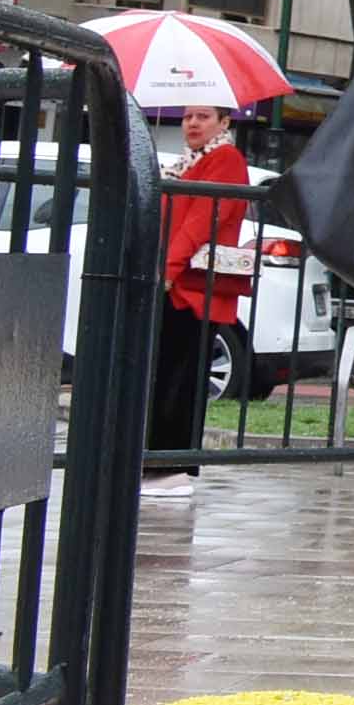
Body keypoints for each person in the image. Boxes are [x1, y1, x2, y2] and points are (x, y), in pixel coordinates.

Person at [145, 102, 252, 497]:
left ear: (224, 122)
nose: (192, 123)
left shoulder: (226, 159)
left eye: (203, 116)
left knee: (182, 379)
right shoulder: (188, 160)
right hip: (178, 283)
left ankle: (171, 470)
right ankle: (157, 464)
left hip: (192, 288)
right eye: (188, 116)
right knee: (167, 376)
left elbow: (201, 220)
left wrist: (167, 271)